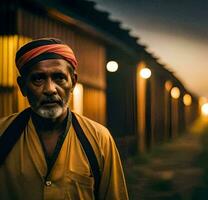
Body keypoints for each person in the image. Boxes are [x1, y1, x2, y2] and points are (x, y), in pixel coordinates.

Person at [0, 38, 129, 200]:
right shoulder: (3, 134)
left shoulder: (99, 138)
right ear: (23, 86)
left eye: (59, 77)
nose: (50, 89)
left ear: (73, 82)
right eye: (38, 79)